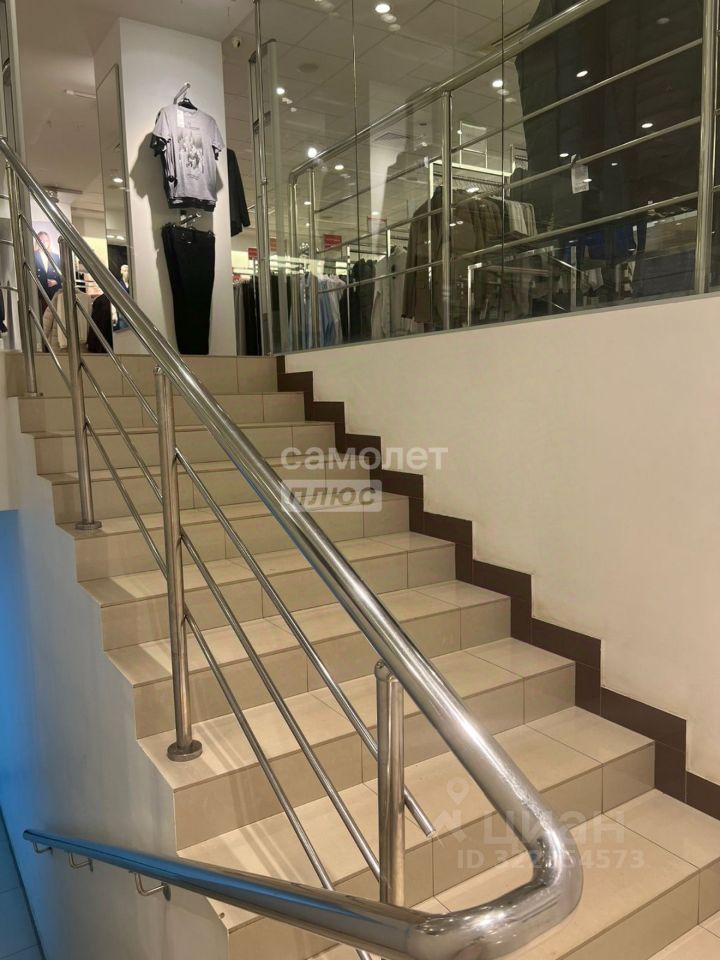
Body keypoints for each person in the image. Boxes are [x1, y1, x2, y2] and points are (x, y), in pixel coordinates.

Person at [34, 231, 62, 305]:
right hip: (39, 293)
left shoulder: (55, 257)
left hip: (54, 293)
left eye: (46, 241)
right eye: (41, 240)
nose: (44, 243)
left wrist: (56, 282)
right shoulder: (33, 256)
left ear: (49, 242)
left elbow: (61, 276)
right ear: (37, 241)